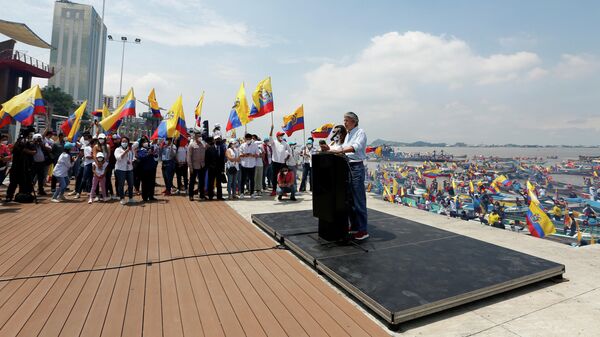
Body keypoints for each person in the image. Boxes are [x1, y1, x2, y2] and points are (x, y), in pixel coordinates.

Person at [322, 112, 369, 240]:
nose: (345, 123)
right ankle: (354, 226)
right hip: (347, 167)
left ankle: (363, 230)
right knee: (350, 199)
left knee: (358, 199)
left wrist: (340, 150)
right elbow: (342, 147)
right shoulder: (348, 134)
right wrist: (328, 149)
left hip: (356, 167)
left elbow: (355, 147)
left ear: (354, 121)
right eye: (344, 120)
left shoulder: (360, 132)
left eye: (346, 120)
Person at [268, 127, 292, 196]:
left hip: (282, 163)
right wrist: (271, 129)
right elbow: (270, 137)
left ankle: (284, 191)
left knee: (283, 177)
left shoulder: (285, 143)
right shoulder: (274, 142)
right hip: (275, 162)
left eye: (282, 135)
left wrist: (287, 158)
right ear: (277, 136)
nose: (281, 137)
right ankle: (274, 190)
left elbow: (289, 151)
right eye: (280, 135)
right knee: (274, 177)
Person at [114, 136, 135, 205]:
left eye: (126, 141)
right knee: (121, 184)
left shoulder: (131, 150)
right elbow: (118, 158)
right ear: (121, 142)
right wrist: (126, 152)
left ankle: (131, 198)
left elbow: (133, 157)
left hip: (129, 168)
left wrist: (131, 161)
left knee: (131, 184)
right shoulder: (118, 149)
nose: (124, 143)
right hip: (120, 169)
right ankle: (122, 198)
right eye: (123, 141)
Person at [187, 131, 207, 201]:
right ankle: (191, 195)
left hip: (202, 165)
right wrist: (190, 167)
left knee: (202, 181)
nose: (200, 137)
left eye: (200, 136)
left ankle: (201, 195)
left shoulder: (203, 144)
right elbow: (189, 157)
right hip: (194, 166)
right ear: (195, 137)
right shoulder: (191, 145)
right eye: (198, 136)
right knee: (192, 181)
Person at [239, 133, 260, 198]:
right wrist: (245, 155)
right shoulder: (242, 145)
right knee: (243, 180)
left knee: (252, 180)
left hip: (252, 165)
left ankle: (252, 193)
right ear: (245, 139)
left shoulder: (255, 145)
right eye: (247, 139)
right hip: (244, 165)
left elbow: (257, 154)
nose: (248, 140)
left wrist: (252, 155)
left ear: (251, 139)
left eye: (249, 139)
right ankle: (242, 193)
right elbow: (240, 154)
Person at [137, 137, 158, 202]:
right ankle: (145, 197)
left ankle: (151, 196)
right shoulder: (140, 150)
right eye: (144, 142)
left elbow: (156, 156)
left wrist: (154, 153)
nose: (146, 143)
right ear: (141, 143)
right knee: (145, 183)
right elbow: (141, 157)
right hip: (144, 169)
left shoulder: (150, 148)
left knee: (152, 183)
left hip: (152, 168)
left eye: (146, 141)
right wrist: (148, 154)